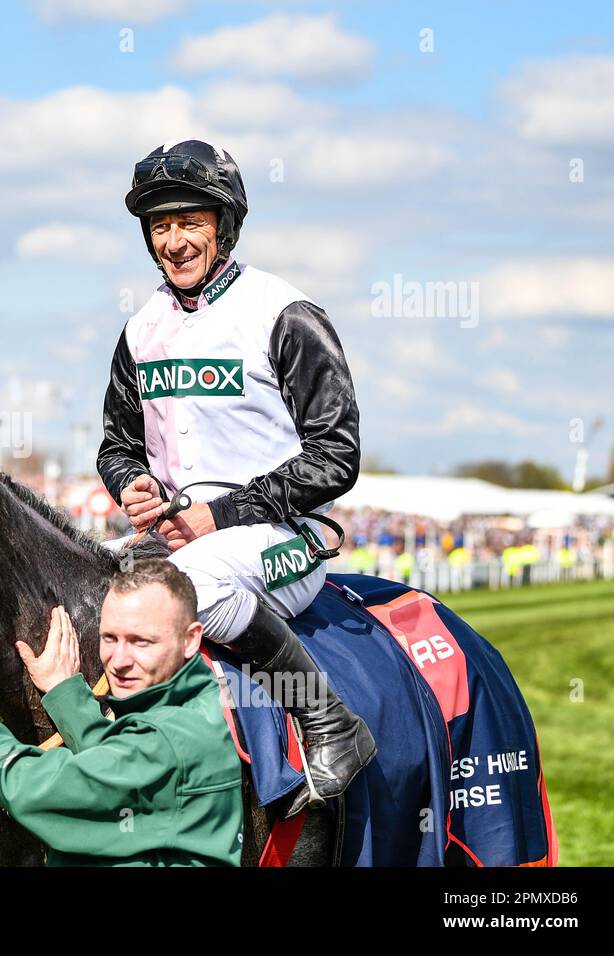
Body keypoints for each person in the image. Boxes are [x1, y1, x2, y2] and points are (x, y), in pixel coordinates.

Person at [96, 139, 374, 817]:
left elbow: (337, 455)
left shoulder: (287, 314)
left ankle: (330, 721)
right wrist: (132, 483)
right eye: (160, 226)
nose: (174, 240)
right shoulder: (140, 330)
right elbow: (115, 443)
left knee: (196, 586)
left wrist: (218, 517)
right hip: (175, 539)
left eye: (189, 221)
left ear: (223, 225)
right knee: (85, 589)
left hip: (283, 539)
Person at [0, 559, 242, 866]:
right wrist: (65, 692)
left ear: (190, 639)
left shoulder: (170, 741)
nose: (118, 661)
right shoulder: (193, 703)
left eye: (140, 641)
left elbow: (44, 791)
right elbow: (118, 761)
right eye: (109, 638)